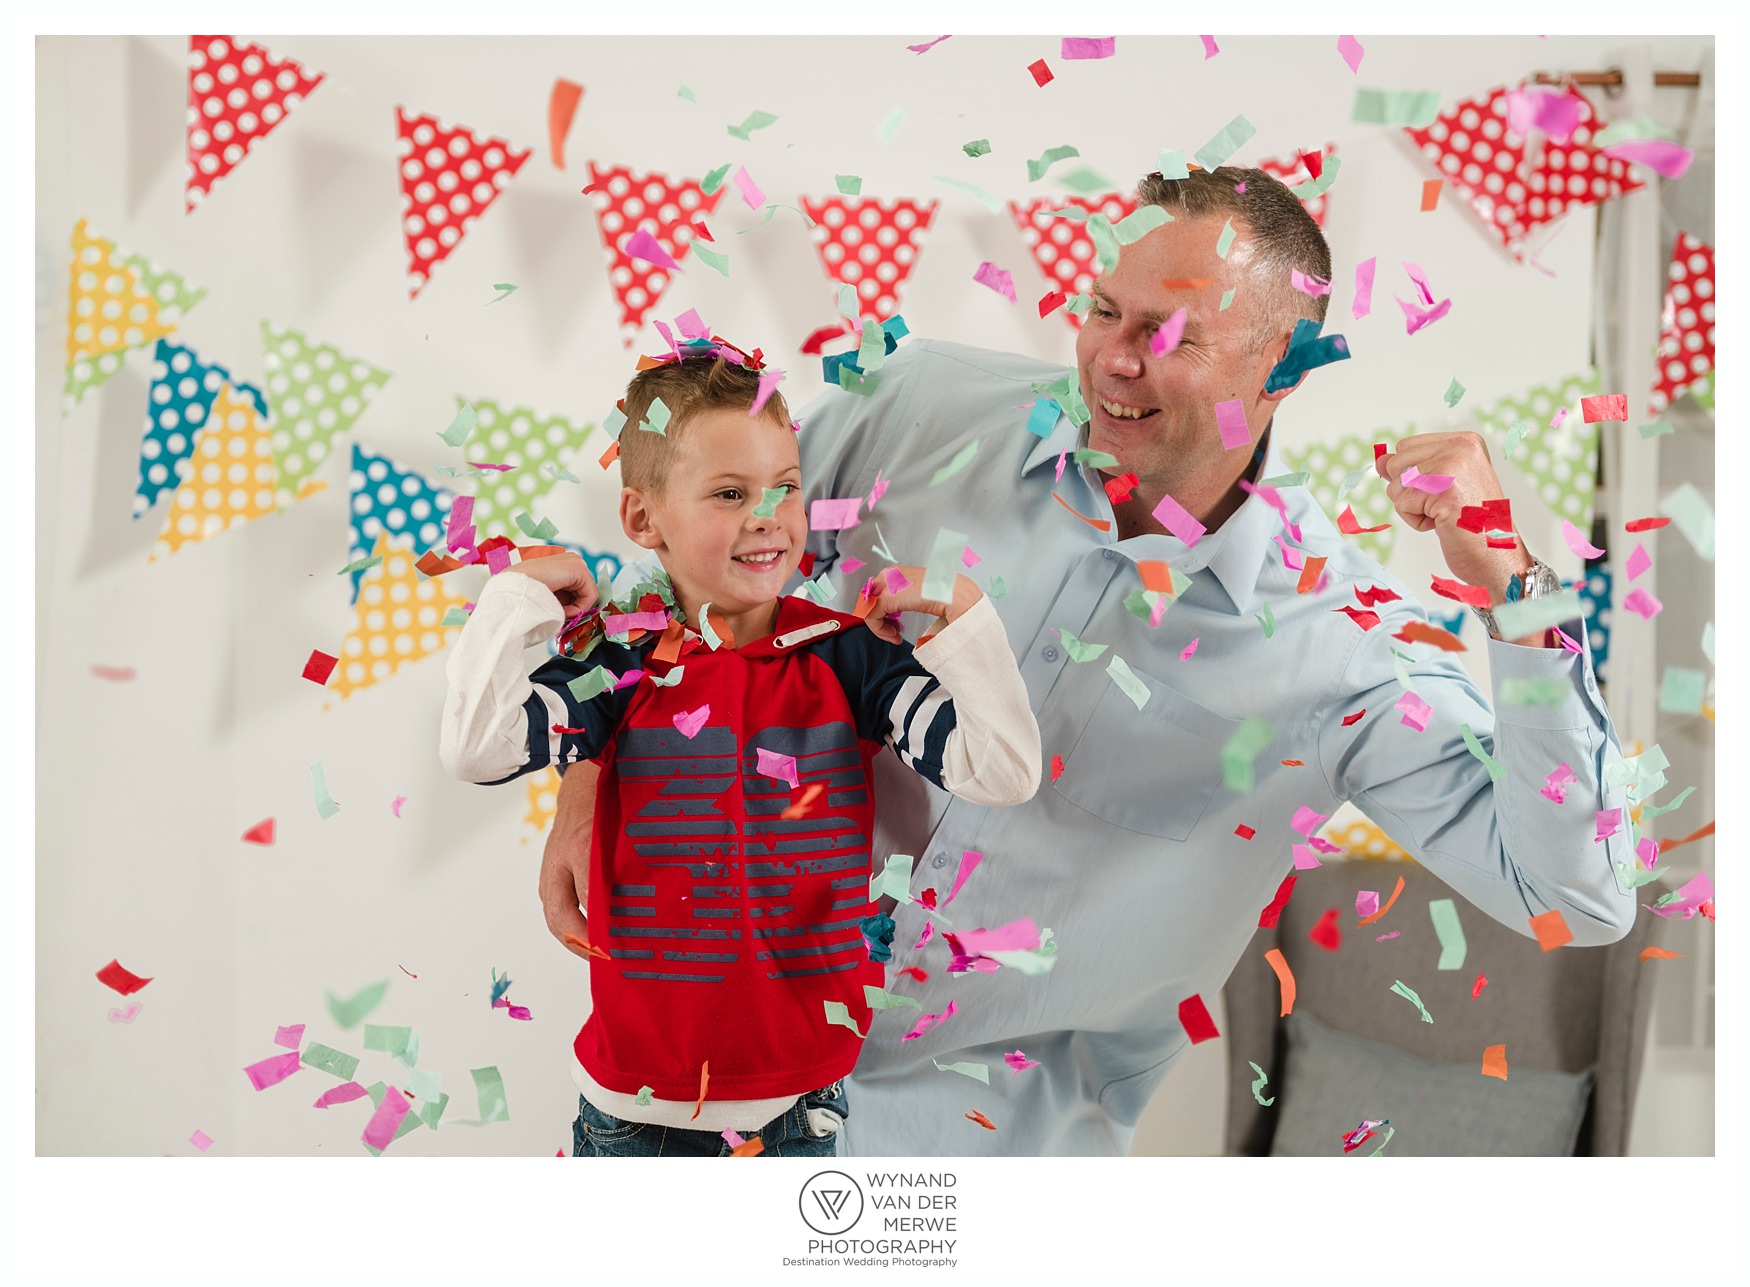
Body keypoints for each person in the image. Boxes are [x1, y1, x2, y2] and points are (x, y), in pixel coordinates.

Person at [539, 167, 1637, 1156]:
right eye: (1105, 310)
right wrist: (584, 787)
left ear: (1282, 365)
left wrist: (1515, 594)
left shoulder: (1341, 646)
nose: (1114, 357)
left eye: (1168, 335)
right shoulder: (918, 409)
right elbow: (687, 572)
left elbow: (1575, 899)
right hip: (696, 1095)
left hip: (969, 1155)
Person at [439, 339, 1041, 1157]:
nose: (768, 516)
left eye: (785, 488)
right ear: (642, 517)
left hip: (798, 1107)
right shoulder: (617, 664)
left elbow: (1004, 771)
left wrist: (966, 620)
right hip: (632, 1114)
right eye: (730, 492)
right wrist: (520, 593)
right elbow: (476, 747)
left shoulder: (848, 657)